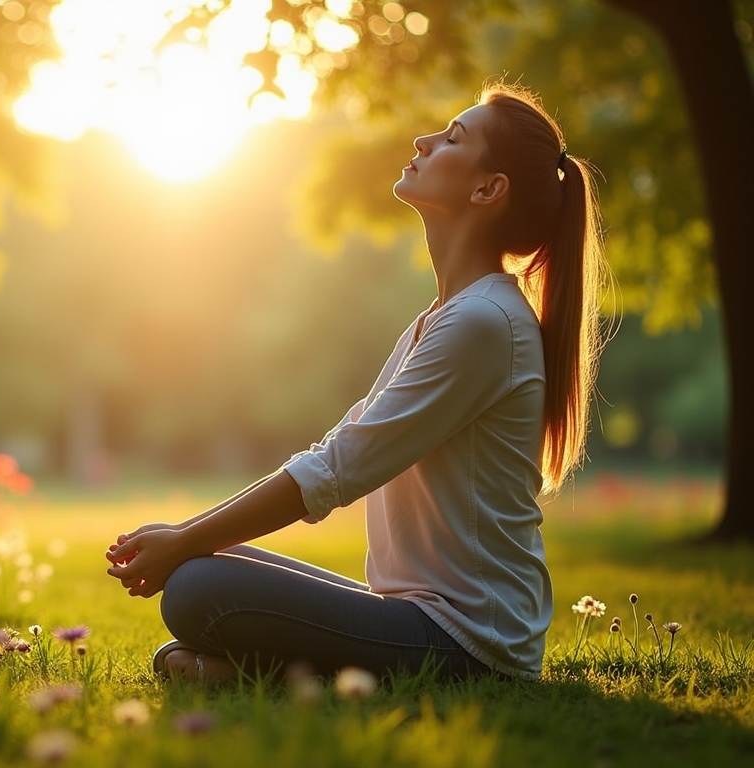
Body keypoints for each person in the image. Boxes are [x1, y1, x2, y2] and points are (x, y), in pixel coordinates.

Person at [104, 82, 609, 683]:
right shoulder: (444, 318)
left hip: (470, 641)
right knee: (211, 564)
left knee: (198, 585)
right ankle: (271, 674)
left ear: (487, 188)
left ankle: (290, 676)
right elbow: (340, 447)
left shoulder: (485, 323)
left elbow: (340, 468)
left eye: (452, 138)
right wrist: (189, 537)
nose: (423, 140)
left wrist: (184, 542)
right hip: (413, 617)